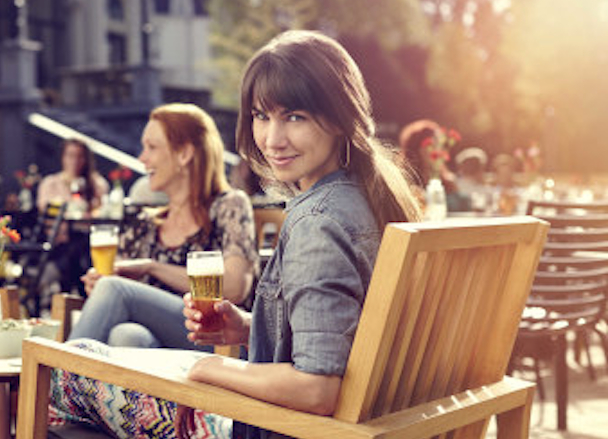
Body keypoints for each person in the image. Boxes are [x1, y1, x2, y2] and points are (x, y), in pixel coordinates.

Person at [49, 32, 421, 438]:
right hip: (323, 423)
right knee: (113, 350)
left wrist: (212, 366)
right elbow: (339, 337)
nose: (272, 139)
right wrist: (247, 328)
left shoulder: (319, 221)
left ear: (337, 117)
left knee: (68, 373)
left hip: (271, 428)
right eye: (262, 116)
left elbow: (318, 388)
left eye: (294, 116)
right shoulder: (366, 198)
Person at [68, 103, 259, 350]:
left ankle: (54, 383)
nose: (142, 158)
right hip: (160, 345)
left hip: (215, 339)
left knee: (115, 291)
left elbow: (234, 288)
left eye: (152, 147)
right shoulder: (145, 223)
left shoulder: (229, 205)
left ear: (184, 154)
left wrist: (152, 268)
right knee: (127, 335)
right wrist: (102, 282)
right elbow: (118, 288)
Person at [34, 138, 110, 302]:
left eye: (80, 156)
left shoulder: (96, 184)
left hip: (88, 242)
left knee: (83, 247)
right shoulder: (50, 184)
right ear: (63, 157)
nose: (75, 161)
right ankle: (85, 296)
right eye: (70, 155)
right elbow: (46, 211)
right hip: (58, 244)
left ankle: (79, 297)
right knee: (77, 252)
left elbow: (103, 211)